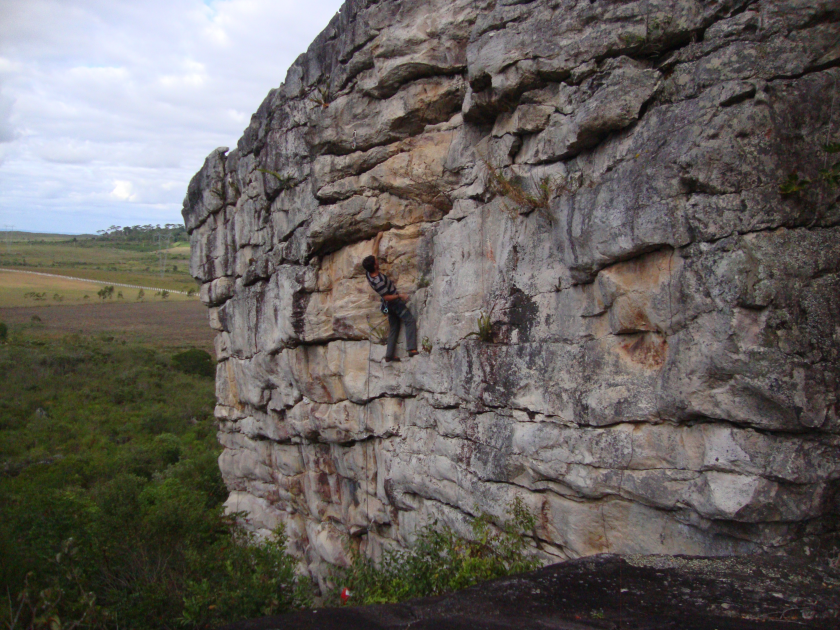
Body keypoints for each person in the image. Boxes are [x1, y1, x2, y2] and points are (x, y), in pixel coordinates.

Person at [362, 231, 418, 362]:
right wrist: (400, 296)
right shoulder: (379, 281)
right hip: (393, 303)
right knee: (409, 320)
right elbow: (387, 297)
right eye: (376, 262)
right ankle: (412, 349)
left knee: (394, 327)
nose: (377, 260)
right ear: (375, 266)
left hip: (387, 305)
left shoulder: (369, 273)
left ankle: (389, 355)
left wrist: (378, 237)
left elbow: (374, 253)